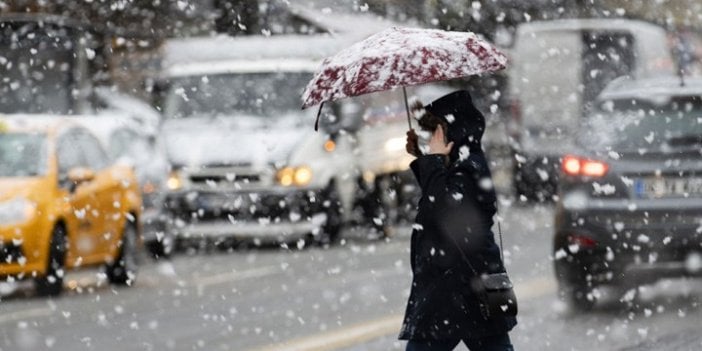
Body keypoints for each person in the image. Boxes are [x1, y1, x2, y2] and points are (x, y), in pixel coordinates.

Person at [399, 90, 517, 351]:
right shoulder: (464, 163)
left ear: (450, 130)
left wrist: (432, 161)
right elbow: (442, 199)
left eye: (434, 132)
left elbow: (443, 210)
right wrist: (424, 158)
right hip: (467, 284)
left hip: (457, 288)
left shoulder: (469, 166)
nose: (430, 139)